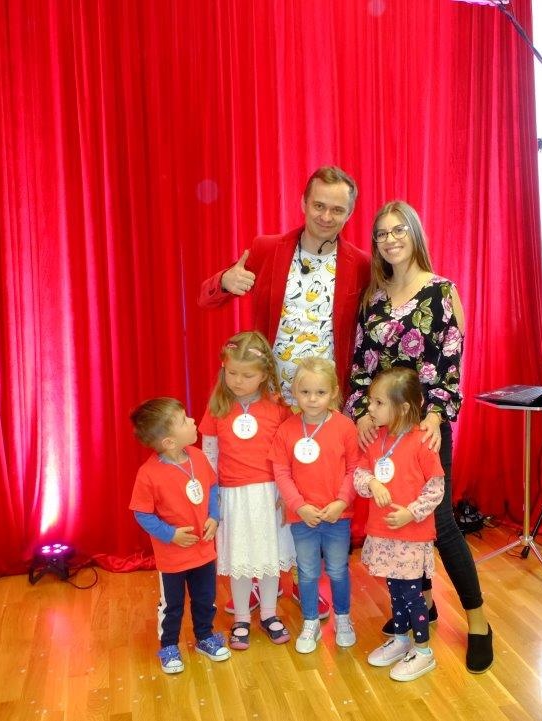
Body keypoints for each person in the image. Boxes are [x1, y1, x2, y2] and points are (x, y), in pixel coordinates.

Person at [199, 165, 371, 617]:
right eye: (319, 205)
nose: (326, 216)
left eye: (337, 209)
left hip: (322, 404)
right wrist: (225, 281)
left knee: (313, 493)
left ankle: (303, 580)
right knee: (269, 493)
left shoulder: (359, 263)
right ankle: (261, 577)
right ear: (303, 203)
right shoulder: (267, 249)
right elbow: (206, 297)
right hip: (267, 401)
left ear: (349, 213)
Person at [345, 200, 493, 673]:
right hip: (382, 431)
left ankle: (478, 621)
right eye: (382, 233)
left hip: (425, 426)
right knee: (395, 514)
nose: (390, 240)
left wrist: (436, 416)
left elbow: (451, 364)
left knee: (439, 521)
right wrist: (361, 412)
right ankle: (421, 608)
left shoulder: (441, 292)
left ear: (414, 235)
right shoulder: (372, 297)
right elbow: (360, 365)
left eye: (398, 230)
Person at [199, 331, 296, 649]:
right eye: (232, 373)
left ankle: (269, 613)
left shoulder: (278, 408)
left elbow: (287, 454)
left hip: (269, 495)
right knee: (238, 558)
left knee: (269, 556)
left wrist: (287, 493)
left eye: (247, 375)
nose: (238, 381)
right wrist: (212, 497)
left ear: (265, 374)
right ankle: (241, 616)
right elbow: (209, 455)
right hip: (233, 496)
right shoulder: (218, 407)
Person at [128, 397, 231, 674]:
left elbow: (211, 487)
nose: (193, 421)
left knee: (205, 597)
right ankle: (169, 645)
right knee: (172, 605)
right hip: (173, 557)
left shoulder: (198, 457)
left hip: (203, 550)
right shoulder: (148, 474)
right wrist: (170, 534)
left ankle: (205, 637)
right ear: (169, 442)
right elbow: (142, 514)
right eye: (185, 420)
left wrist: (214, 517)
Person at [355, 367, 445, 681]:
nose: (370, 408)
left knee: (412, 594)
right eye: (371, 401)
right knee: (394, 590)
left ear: (403, 407)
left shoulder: (423, 442)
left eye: (379, 403)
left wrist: (411, 512)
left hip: (412, 535)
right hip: (384, 532)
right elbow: (360, 474)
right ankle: (401, 639)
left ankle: (423, 652)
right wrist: (373, 484)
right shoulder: (376, 439)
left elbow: (435, 489)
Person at [269, 357, 360, 654]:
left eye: (320, 392)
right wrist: (298, 506)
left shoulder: (345, 427)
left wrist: (341, 501)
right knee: (307, 572)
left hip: (337, 516)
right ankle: (310, 621)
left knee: (337, 570)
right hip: (303, 517)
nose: (312, 399)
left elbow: (354, 469)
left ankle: (343, 618)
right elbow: (281, 472)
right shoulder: (287, 430)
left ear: (333, 392)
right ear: (294, 392)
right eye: (305, 392)